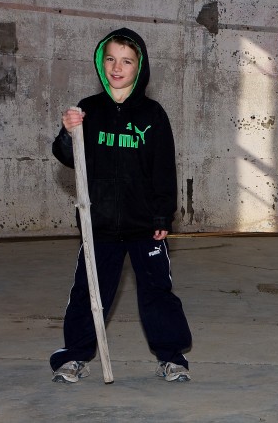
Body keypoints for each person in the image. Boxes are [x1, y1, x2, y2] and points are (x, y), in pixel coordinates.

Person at [49, 27, 192, 383]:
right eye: (110, 58)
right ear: (101, 61)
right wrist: (69, 132)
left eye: (126, 61)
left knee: (157, 291)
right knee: (88, 291)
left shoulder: (153, 115)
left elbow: (163, 168)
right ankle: (75, 356)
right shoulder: (87, 110)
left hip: (145, 224)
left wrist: (163, 215)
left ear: (139, 66)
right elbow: (67, 157)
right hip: (99, 223)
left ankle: (171, 358)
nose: (117, 66)